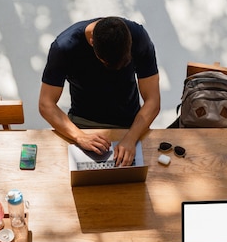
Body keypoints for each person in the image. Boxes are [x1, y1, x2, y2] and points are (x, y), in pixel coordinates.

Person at [39, 16, 160, 166]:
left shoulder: (139, 37)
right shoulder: (65, 47)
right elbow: (46, 104)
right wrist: (79, 136)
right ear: (92, 43)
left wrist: (131, 138)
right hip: (82, 124)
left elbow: (153, 100)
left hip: (131, 124)